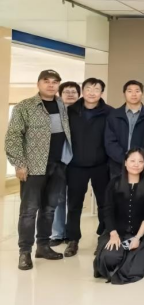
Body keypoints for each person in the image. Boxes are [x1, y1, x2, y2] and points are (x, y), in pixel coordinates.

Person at [5, 70, 72, 271]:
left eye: (55, 82)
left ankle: (43, 246)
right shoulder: (25, 106)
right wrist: (19, 163)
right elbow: (13, 136)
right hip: (33, 166)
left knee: (49, 209)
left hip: (58, 165)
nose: (51, 85)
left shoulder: (62, 105)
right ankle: (24, 252)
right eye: (46, 81)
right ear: (38, 84)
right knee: (28, 211)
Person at [64, 78, 113, 258]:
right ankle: (73, 239)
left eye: (96, 89)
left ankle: (104, 236)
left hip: (101, 165)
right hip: (76, 166)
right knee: (74, 204)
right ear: (82, 91)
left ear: (102, 92)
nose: (92, 92)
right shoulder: (70, 111)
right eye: (88, 89)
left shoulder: (110, 112)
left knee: (104, 204)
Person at [94, 148, 144, 285]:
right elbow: (107, 211)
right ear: (125, 163)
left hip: (139, 234)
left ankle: (138, 251)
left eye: (140, 161)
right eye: (132, 161)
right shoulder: (114, 183)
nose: (136, 164)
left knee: (136, 268)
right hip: (117, 232)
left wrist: (137, 238)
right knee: (109, 259)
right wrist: (113, 234)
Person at [50, 81, 80, 247]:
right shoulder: (55, 113)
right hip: (58, 161)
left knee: (73, 200)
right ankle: (57, 233)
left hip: (77, 162)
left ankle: (71, 233)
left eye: (73, 92)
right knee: (58, 198)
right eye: (66, 92)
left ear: (78, 95)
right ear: (60, 95)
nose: (70, 94)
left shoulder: (82, 113)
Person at [105, 80, 144, 179]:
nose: (133, 94)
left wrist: (138, 159)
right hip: (118, 165)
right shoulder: (114, 115)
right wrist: (125, 159)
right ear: (124, 94)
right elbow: (109, 142)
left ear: (142, 94)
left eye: (137, 91)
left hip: (142, 165)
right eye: (130, 91)